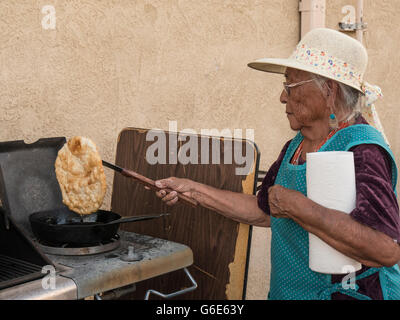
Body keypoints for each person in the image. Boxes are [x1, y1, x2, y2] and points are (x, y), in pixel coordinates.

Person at [150, 28, 400, 300]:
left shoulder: (362, 149)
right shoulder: (297, 143)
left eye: (290, 86)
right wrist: (193, 190)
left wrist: (298, 207)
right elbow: (265, 209)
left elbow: (385, 249)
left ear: (329, 91)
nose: (282, 97)